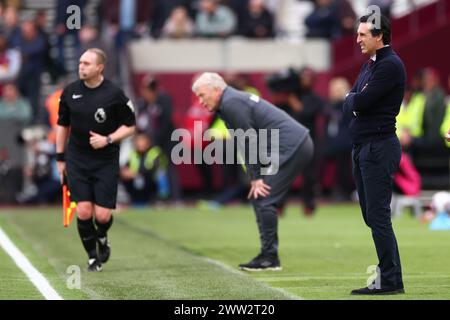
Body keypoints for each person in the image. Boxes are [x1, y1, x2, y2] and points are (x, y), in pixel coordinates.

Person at [192, 72, 313, 271]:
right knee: (260, 197)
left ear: (216, 90)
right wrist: (254, 176)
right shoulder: (229, 102)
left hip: (292, 146)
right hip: (288, 145)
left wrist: (256, 178)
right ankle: (267, 255)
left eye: (202, 95)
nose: (201, 101)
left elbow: (248, 140)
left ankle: (270, 258)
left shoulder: (231, 102)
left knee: (264, 197)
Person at [56, 48, 136, 272]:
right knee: (83, 211)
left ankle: (102, 237)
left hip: (105, 161)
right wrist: (60, 158)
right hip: (77, 159)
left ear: (100, 68)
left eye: (87, 63)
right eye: (81, 62)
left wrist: (108, 139)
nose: (81, 66)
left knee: (101, 215)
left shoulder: (114, 94)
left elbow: (130, 126)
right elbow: (62, 126)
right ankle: (92, 257)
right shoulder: (70, 92)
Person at [343, 14, 405, 295]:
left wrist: (354, 102)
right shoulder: (371, 65)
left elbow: (360, 100)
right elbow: (353, 99)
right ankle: (389, 276)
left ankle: (390, 280)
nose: (357, 40)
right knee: (371, 216)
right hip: (364, 147)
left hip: (379, 146)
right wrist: (354, 101)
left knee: (378, 216)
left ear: (379, 36)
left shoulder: (390, 65)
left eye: (363, 35)